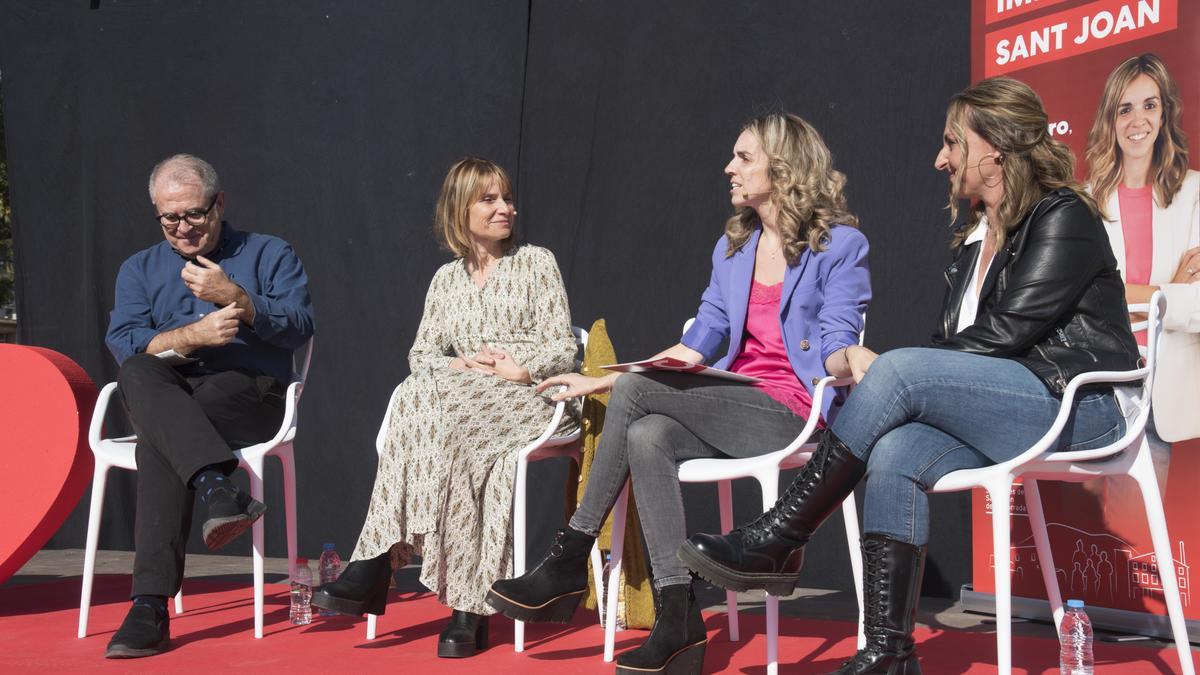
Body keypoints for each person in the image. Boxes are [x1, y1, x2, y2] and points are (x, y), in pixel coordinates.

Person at [679, 78, 1141, 674]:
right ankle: (887, 652)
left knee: (897, 372)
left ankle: (782, 533)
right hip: (1013, 402)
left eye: (953, 143)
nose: (939, 158)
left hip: (1084, 407)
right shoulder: (973, 241)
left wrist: (916, 380)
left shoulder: (1063, 216)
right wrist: (919, 383)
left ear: (994, 148)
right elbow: (959, 351)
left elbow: (1005, 337)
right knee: (895, 450)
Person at [485, 112, 871, 675]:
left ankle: (571, 553)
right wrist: (604, 380)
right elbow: (698, 344)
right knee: (647, 433)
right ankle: (677, 615)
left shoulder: (839, 246)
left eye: (743, 158)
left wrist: (854, 358)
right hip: (731, 400)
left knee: (641, 402)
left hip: (794, 410)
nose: (729, 168)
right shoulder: (733, 250)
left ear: (783, 167)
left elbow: (837, 341)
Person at [311, 157, 578, 658]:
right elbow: (422, 354)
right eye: (490, 199)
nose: (506, 208)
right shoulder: (445, 280)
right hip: (462, 402)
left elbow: (564, 347)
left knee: (426, 404)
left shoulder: (536, 262)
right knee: (426, 401)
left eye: (507, 197)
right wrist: (458, 365)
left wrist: (520, 368)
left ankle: (375, 562)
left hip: (531, 398)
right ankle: (466, 608)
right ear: (461, 210)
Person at [103, 154, 315, 658]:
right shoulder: (140, 268)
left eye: (194, 213)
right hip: (171, 392)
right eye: (170, 218)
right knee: (138, 374)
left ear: (219, 202)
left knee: (163, 434)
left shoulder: (269, 253)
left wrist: (239, 299)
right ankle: (217, 486)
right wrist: (191, 335)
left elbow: (300, 325)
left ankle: (149, 606)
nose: (182, 227)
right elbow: (124, 342)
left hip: (250, 391)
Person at [1086, 53, 1200, 483]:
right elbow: (1081, 298)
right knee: (1090, 536)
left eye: (1149, 105)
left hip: (1165, 391)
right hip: (1099, 384)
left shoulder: (1194, 193)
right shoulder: (1083, 202)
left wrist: (1124, 290)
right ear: (1110, 119)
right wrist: (1170, 289)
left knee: (1143, 540)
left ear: (1165, 112)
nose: (1138, 119)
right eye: (1125, 108)